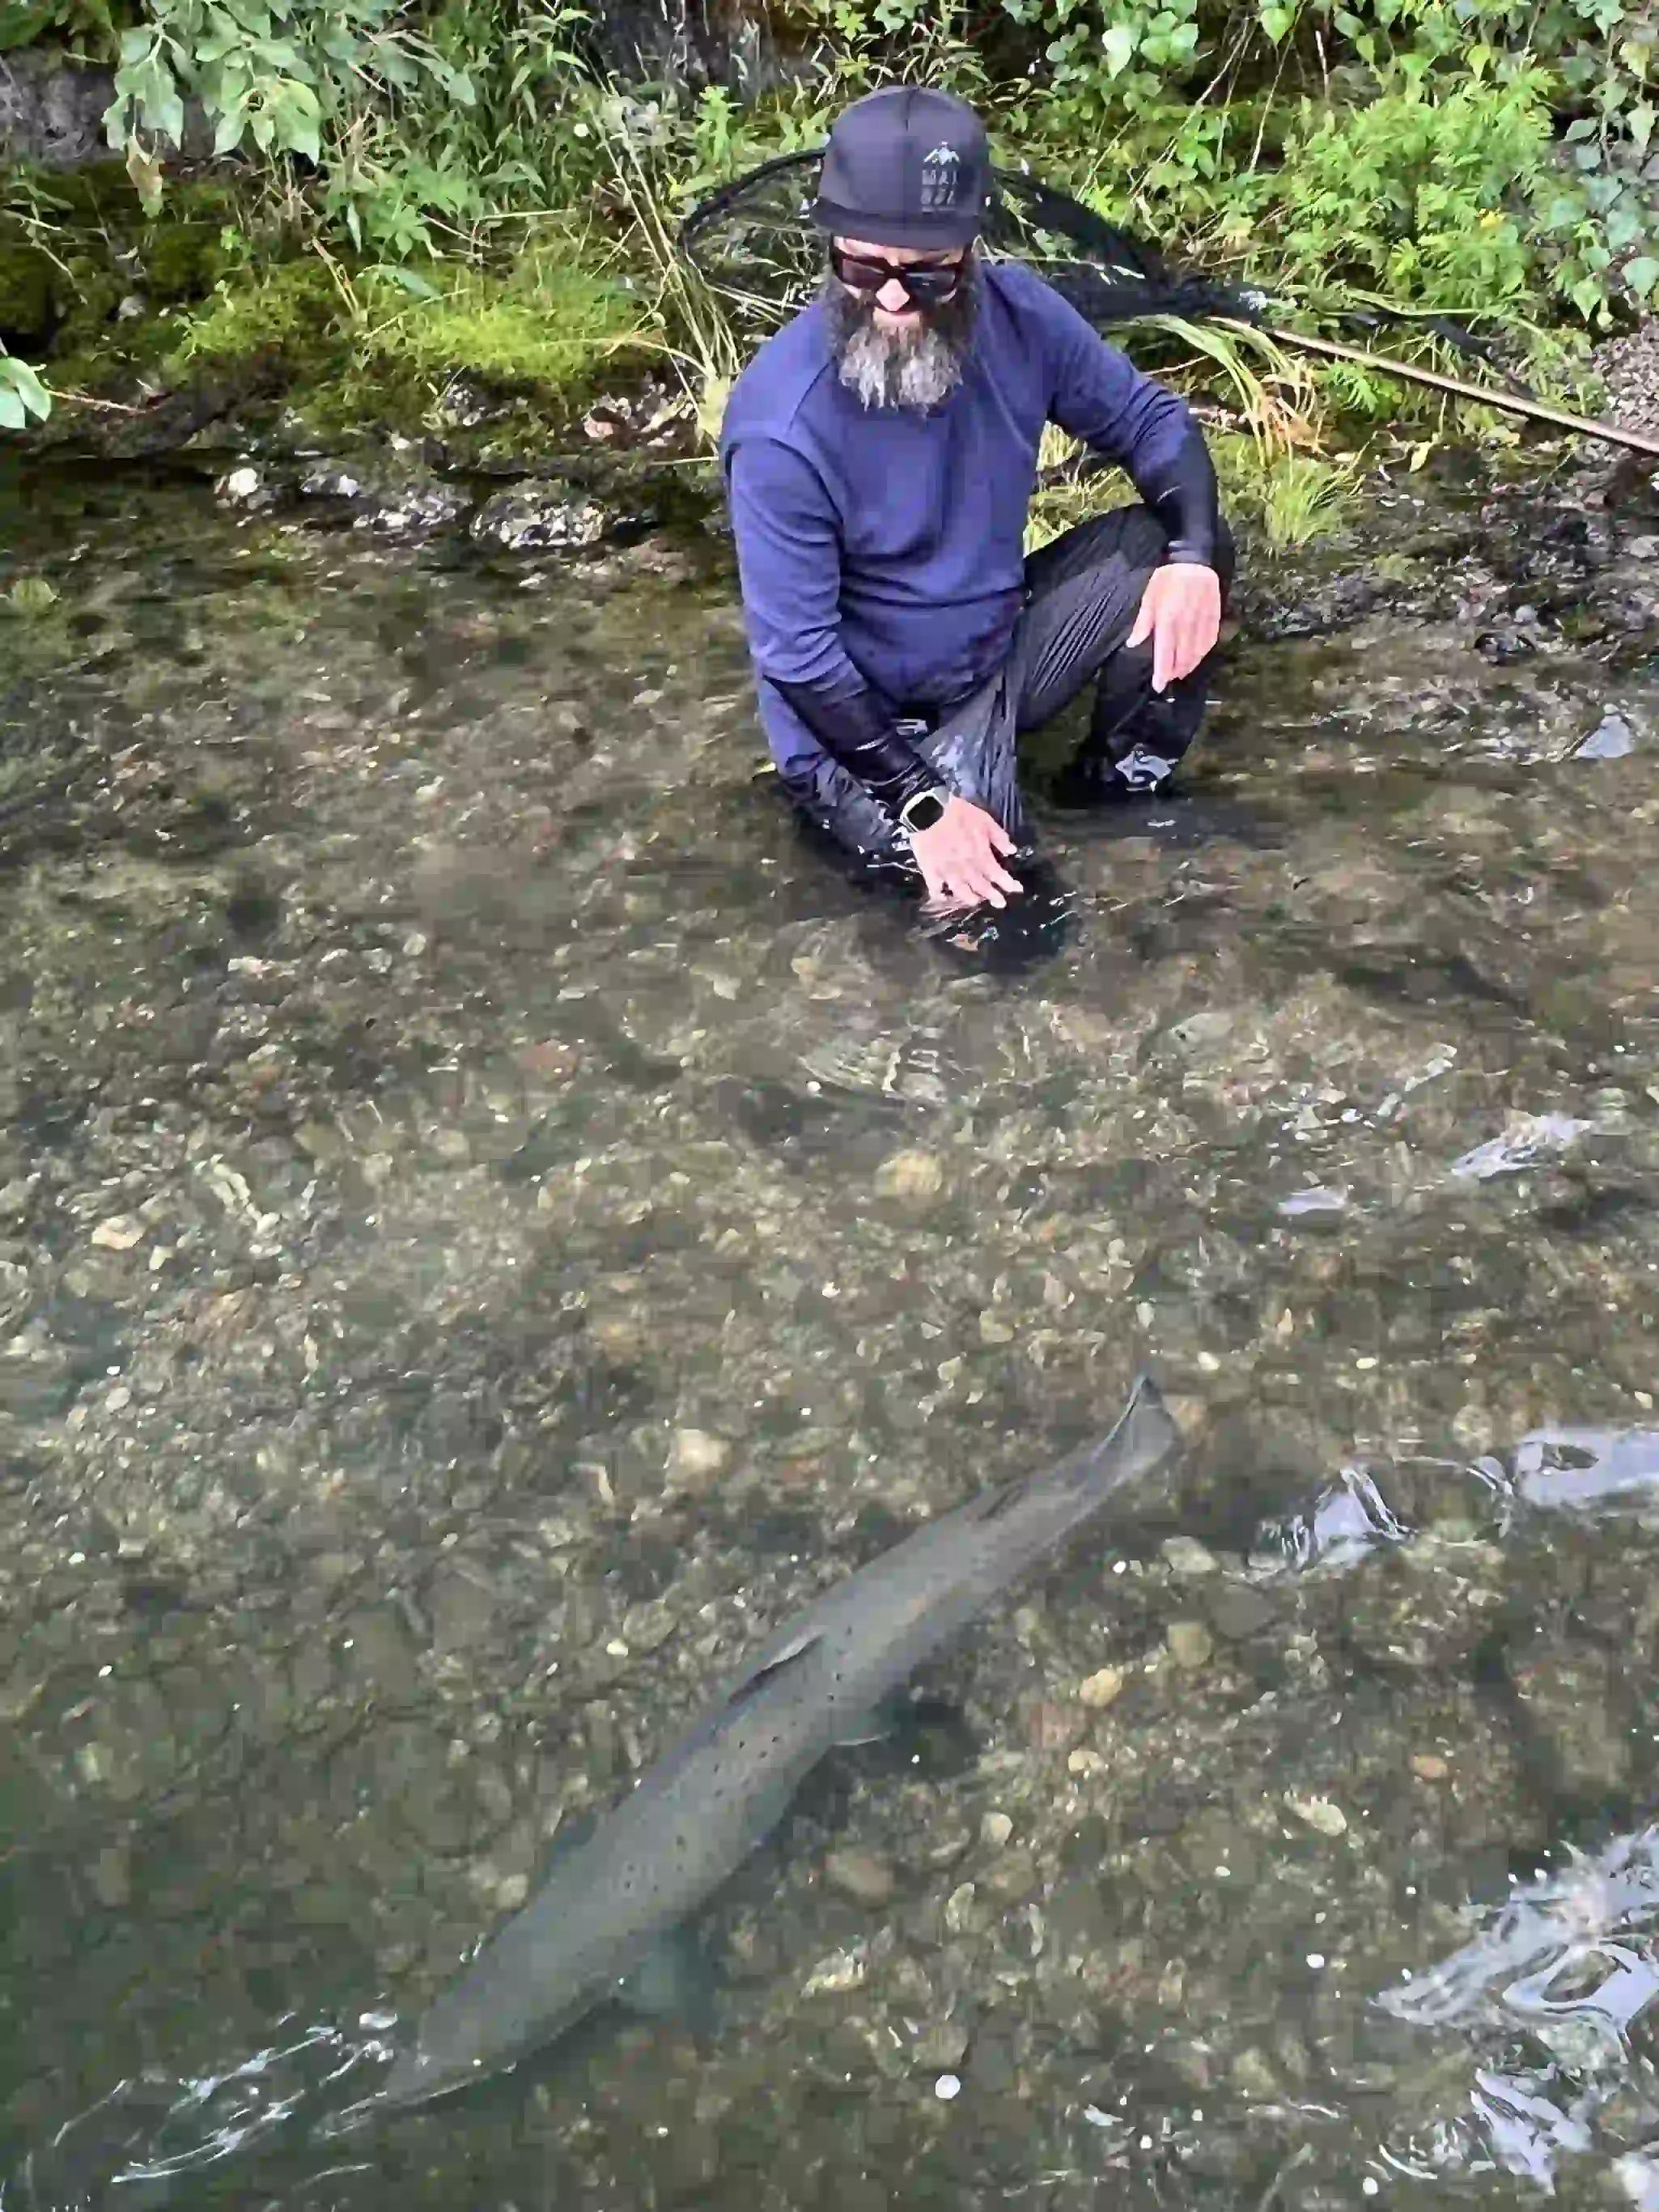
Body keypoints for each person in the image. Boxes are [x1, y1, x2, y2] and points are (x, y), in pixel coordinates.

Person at [719, 83, 1234, 917]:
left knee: (1181, 552)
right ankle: (926, 822)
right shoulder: (781, 424)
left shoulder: (1019, 314)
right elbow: (800, 659)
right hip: (868, 735)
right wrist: (922, 803)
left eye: (923, 276)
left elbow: (1150, 421)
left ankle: (1114, 798)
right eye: (862, 268)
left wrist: (1193, 559)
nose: (890, 301)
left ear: (968, 255)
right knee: (1015, 933)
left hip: (996, 659)